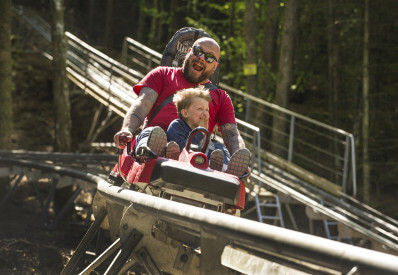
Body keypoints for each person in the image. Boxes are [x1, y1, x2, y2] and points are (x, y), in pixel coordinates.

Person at [114, 36, 248, 173]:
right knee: (152, 133)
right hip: (158, 139)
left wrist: (239, 155)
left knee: (218, 148)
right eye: (198, 51)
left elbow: (232, 134)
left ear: (215, 66)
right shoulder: (162, 74)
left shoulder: (221, 97)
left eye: (209, 58)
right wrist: (127, 130)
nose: (201, 58)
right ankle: (150, 153)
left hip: (197, 153)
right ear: (189, 52)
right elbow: (141, 104)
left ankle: (227, 167)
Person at [166, 86, 250, 176]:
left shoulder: (205, 133)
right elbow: (185, 148)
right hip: (185, 160)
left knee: (219, 147)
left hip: (205, 162)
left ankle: (227, 168)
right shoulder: (177, 126)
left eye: (207, 110)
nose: (205, 113)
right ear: (185, 113)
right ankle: (215, 166)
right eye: (200, 109)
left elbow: (208, 148)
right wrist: (201, 133)